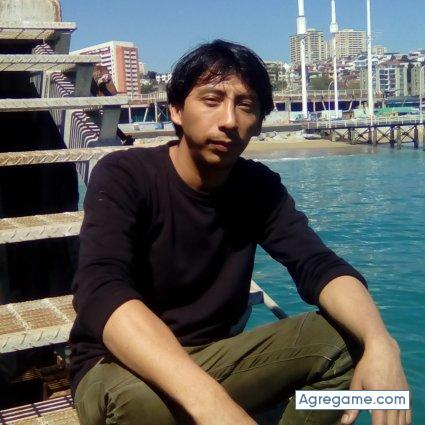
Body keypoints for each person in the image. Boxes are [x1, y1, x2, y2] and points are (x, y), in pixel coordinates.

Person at [70, 40, 411, 425]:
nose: (229, 120)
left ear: (259, 122)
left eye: (246, 106)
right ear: (176, 110)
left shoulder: (258, 188)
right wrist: (212, 403)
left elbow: (318, 264)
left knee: (350, 344)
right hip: (119, 368)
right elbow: (100, 288)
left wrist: (382, 343)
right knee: (144, 404)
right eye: (212, 100)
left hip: (218, 359)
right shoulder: (126, 176)